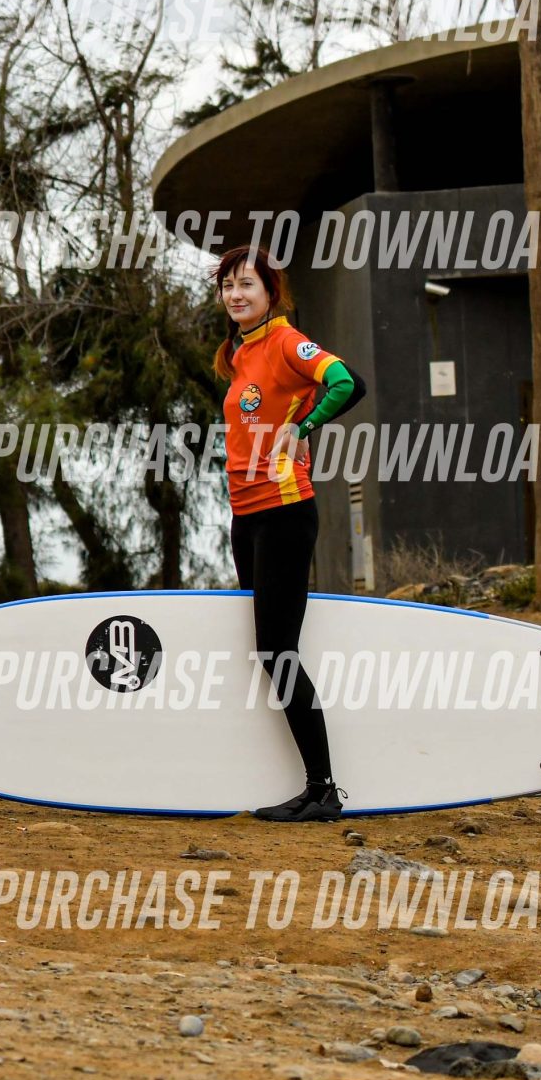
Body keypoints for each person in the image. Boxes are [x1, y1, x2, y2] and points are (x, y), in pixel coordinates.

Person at [215, 242, 365, 822]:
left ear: (270, 292)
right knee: (268, 651)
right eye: (228, 285)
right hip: (246, 516)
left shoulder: (283, 342)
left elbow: (346, 382)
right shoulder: (238, 352)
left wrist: (305, 425)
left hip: (283, 511)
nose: (235, 294)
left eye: (246, 284)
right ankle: (306, 784)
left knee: (278, 651)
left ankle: (323, 789)